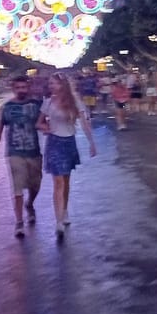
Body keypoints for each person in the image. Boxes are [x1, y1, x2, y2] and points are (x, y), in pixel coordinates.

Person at [38, 73, 97, 241]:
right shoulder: (47, 102)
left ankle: (64, 211)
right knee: (58, 183)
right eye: (49, 83)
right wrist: (45, 128)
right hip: (54, 143)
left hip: (68, 142)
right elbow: (39, 122)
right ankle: (58, 221)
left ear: (62, 85)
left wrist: (92, 142)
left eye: (54, 83)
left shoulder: (74, 102)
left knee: (66, 181)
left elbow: (84, 123)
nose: (51, 86)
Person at [0, 75, 43, 238]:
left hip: (34, 152)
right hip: (14, 153)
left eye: (24, 87)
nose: (21, 90)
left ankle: (30, 204)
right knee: (17, 188)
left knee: (35, 185)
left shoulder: (36, 106)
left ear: (28, 88)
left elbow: (45, 122)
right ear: (13, 89)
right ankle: (19, 222)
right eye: (18, 88)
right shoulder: (7, 108)